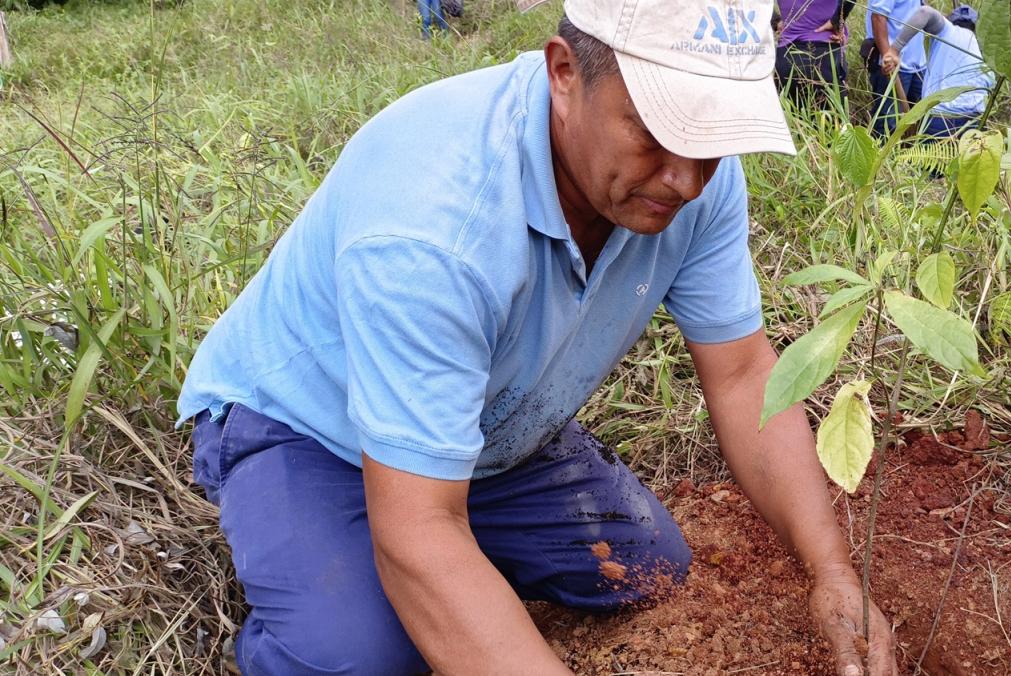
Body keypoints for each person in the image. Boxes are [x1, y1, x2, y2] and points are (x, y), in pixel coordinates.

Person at [177, 0, 898, 674]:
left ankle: (455, 544)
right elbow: (418, 528)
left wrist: (832, 571)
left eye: (711, 137)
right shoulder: (436, 224)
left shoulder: (695, 176)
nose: (685, 179)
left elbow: (742, 375)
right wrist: (424, 553)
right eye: (658, 131)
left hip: (482, 428)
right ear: (563, 72)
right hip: (307, 429)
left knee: (646, 567)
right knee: (361, 652)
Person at [894, 5, 993, 138]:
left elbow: (925, 11)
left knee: (929, 152)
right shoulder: (985, 47)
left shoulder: (947, 31)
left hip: (941, 117)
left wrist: (894, 49)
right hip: (975, 120)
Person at [860, 0, 927, 139]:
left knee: (920, 120)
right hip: (894, 64)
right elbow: (878, 16)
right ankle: (880, 152)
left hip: (917, 64)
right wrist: (888, 55)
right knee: (888, 122)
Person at [775, 0, 855, 110]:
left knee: (788, 118)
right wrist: (836, 20)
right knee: (832, 118)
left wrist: (775, 21)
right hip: (825, 56)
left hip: (785, 57)